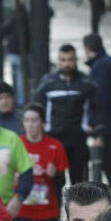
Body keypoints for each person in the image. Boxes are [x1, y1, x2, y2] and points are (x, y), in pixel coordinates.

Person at [13, 103, 70, 221]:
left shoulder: (55, 146)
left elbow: (62, 180)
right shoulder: (17, 144)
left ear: (43, 123)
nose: (31, 124)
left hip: (47, 208)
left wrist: (54, 176)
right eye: (27, 120)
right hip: (22, 207)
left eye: (35, 120)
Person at [34, 44, 96, 184]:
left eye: (70, 60)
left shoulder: (86, 83)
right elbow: (38, 108)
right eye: (63, 60)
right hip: (55, 139)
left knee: (80, 184)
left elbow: (97, 107)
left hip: (78, 139)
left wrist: (93, 128)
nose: (67, 63)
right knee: (55, 183)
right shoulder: (48, 82)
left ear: (76, 60)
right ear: (58, 61)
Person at [83, 33, 111, 184]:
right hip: (110, 124)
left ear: (87, 48)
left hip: (106, 126)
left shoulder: (100, 66)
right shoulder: (106, 63)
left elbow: (100, 99)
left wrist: (97, 128)